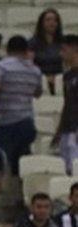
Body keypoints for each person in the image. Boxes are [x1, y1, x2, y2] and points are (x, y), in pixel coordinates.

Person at [0, 36, 42, 211]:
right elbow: (38, 93)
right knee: (22, 166)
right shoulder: (34, 70)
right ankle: (26, 204)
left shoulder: (2, 66)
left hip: (8, 123)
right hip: (27, 122)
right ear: (26, 50)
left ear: (7, 49)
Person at [53, 36, 78, 175]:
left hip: (76, 130)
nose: (60, 54)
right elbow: (67, 103)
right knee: (66, 170)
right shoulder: (67, 76)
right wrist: (59, 130)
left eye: (64, 49)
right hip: (67, 129)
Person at [30, 9, 64, 95]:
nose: (52, 23)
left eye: (55, 20)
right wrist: (45, 78)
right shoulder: (33, 43)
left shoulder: (63, 42)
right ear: (42, 23)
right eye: (48, 20)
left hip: (60, 80)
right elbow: (29, 65)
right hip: (39, 80)